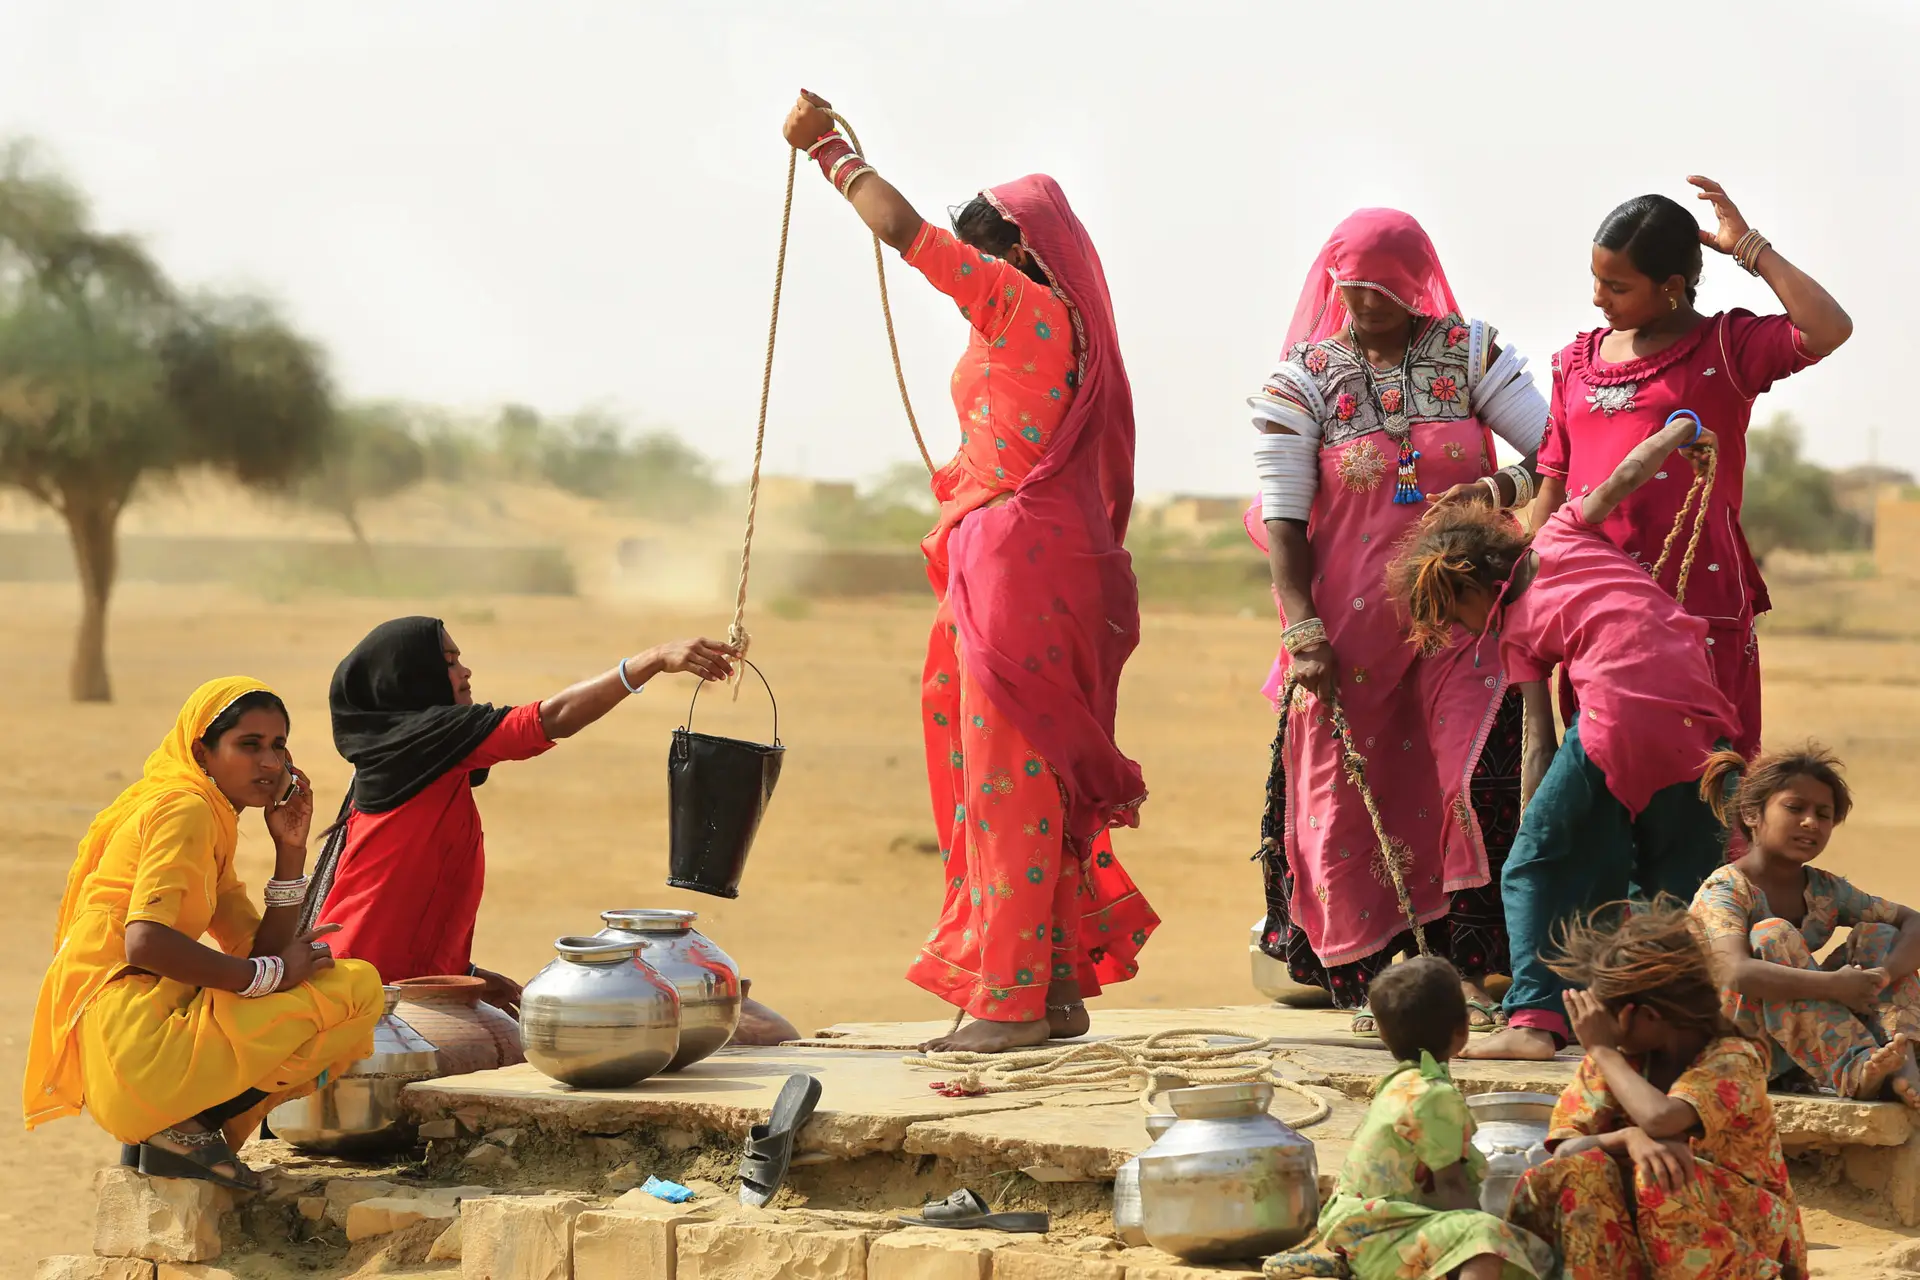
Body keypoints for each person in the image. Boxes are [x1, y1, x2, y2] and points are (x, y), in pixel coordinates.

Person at [780, 90, 1156, 1054]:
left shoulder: (1021, 303)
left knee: (1007, 779)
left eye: (985, 250)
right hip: (1029, 557)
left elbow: (900, 230)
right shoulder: (1056, 326)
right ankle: (1058, 983)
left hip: (1013, 566)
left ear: (1021, 253)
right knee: (1027, 771)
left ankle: (1009, 1002)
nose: (975, 266)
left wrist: (827, 149)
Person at [1245, 209, 1550, 1032]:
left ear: (1416, 283)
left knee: (1475, 776)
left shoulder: (1472, 352)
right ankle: (1369, 979)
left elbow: (1557, 451)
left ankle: (1473, 968)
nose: (1367, 303)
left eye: (1384, 289)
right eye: (1353, 289)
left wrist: (1499, 492)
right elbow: (1283, 515)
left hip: (1467, 616)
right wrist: (1302, 628)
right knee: (1347, 790)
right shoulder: (1304, 378)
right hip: (1351, 628)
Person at [1386, 411, 1736, 1059]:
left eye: (1457, 614)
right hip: (1703, 718)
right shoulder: (1566, 532)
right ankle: (1678, 1028)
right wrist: (1682, 428)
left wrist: (1534, 830)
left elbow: (1540, 745)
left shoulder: (1515, 632)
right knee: (1672, 877)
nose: (1465, 630)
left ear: (1473, 585)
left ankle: (1535, 1024)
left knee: (1537, 869)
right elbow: (1626, 475)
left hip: (1618, 721)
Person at [304, 617, 783, 1028]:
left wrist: (463, 973)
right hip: (365, 991)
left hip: (399, 987)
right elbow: (550, 719)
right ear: (410, 677)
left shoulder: (422, 757)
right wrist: (651, 661)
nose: (465, 670)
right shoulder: (420, 746)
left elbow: (414, 893)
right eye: (449, 662)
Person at [24, 677, 383, 1192]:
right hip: (135, 1052)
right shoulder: (185, 809)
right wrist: (274, 973)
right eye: (249, 745)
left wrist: (290, 852)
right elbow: (145, 942)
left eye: (279, 747)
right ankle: (183, 1132)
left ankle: (179, 1131)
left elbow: (251, 949)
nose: (270, 763)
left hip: (134, 1060)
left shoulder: (209, 819)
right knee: (357, 988)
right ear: (203, 751)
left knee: (318, 982)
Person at [1533, 178, 1852, 757]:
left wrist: (1750, 248)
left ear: (1672, 287)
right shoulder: (1572, 364)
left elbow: (1828, 328)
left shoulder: (1727, 348)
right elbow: (1552, 481)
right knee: (1601, 790)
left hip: (1694, 608)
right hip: (1589, 612)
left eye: (1617, 286)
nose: (1599, 297)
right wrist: (1530, 592)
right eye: (1596, 279)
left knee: (1701, 793)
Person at [1508, 902, 1807, 1280]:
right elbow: (1564, 1149)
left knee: (1662, 1166)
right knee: (1580, 1170)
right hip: (1648, 1234)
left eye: (1606, 1018)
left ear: (1647, 1016)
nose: (1596, 1029)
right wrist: (1627, 1138)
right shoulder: (1617, 1061)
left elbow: (1663, 1119)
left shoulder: (1732, 1059)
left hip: (1743, 1230)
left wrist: (1601, 1050)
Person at [1264, 955, 1554, 1280]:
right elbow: (1453, 1186)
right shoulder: (1433, 1096)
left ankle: (1354, 1264)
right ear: (1462, 1030)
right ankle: (1365, 1262)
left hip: (1355, 1227)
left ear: (1384, 1037)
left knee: (1520, 1247)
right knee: (1486, 1238)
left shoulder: (1398, 1084)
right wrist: (1474, 1230)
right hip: (1378, 1230)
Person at [1690, 745, 1920, 1108]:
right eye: (1795, 808)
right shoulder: (1726, 889)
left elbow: (1914, 921)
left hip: (1791, 1041)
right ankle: (1858, 1068)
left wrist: (1882, 977)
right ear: (1752, 814)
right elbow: (1733, 970)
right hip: (1733, 1045)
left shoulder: (1826, 890)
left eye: (1823, 814)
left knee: (1882, 935)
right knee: (1773, 934)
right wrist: (1835, 986)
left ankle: (1902, 1059)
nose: (1811, 823)